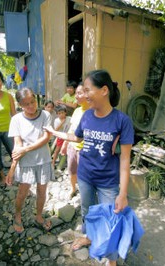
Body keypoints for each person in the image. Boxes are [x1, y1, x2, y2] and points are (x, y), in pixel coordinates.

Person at [45, 70, 134, 266]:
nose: (84, 95)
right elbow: (77, 137)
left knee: (111, 220)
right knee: (87, 211)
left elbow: (125, 160)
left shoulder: (122, 121)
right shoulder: (86, 116)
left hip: (108, 182)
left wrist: (123, 193)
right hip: (85, 176)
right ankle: (89, 238)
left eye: (87, 90)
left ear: (104, 90)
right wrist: (54, 132)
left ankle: (112, 261)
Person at [8, 87, 54, 234]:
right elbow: (17, 146)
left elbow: (46, 138)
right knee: (22, 192)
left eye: (33, 102)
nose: (31, 106)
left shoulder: (46, 115)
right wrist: (12, 169)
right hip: (26, 163)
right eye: (26, 104)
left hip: (43, 160)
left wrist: (26, 149)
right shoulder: (16, 120)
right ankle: (17, 215)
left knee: (42, 191)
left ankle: (39, 217)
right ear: (20, 105)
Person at [60, 83, 89, 199]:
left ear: (87, 94)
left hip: (85, 149)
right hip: (72, 146)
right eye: (76, 93)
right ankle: (73, 188)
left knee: (85, 174)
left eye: (79, 93)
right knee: (71, 171)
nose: (76, 96)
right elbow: (71, 129)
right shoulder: (77, 111)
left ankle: (85, 192)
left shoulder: (93, 111)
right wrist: (65, 144)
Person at [51, 104, 71, 168]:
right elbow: (55, 130)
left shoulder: (69, 118)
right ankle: (53, 162)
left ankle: (66, 164)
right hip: (60, 137)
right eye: (59, 113)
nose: (61, 115)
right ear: (57, 114)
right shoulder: (57, 120)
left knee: (67, 151)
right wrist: (62, 122)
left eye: (62, 113)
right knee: (57, 150)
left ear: (65, 112)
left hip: (68, 137)